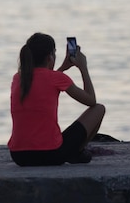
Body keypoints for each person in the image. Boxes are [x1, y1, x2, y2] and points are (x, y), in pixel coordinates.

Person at [8, 33, 106, 166]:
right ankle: (76, 152)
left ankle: (74, 153)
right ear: (50, 57)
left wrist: (63, 68)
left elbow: (45, 81)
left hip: (19, 156)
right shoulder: (56, 79)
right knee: (99, 109)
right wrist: (83, 68)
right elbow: (91, 100)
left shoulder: (18, 78)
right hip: (50, 154)